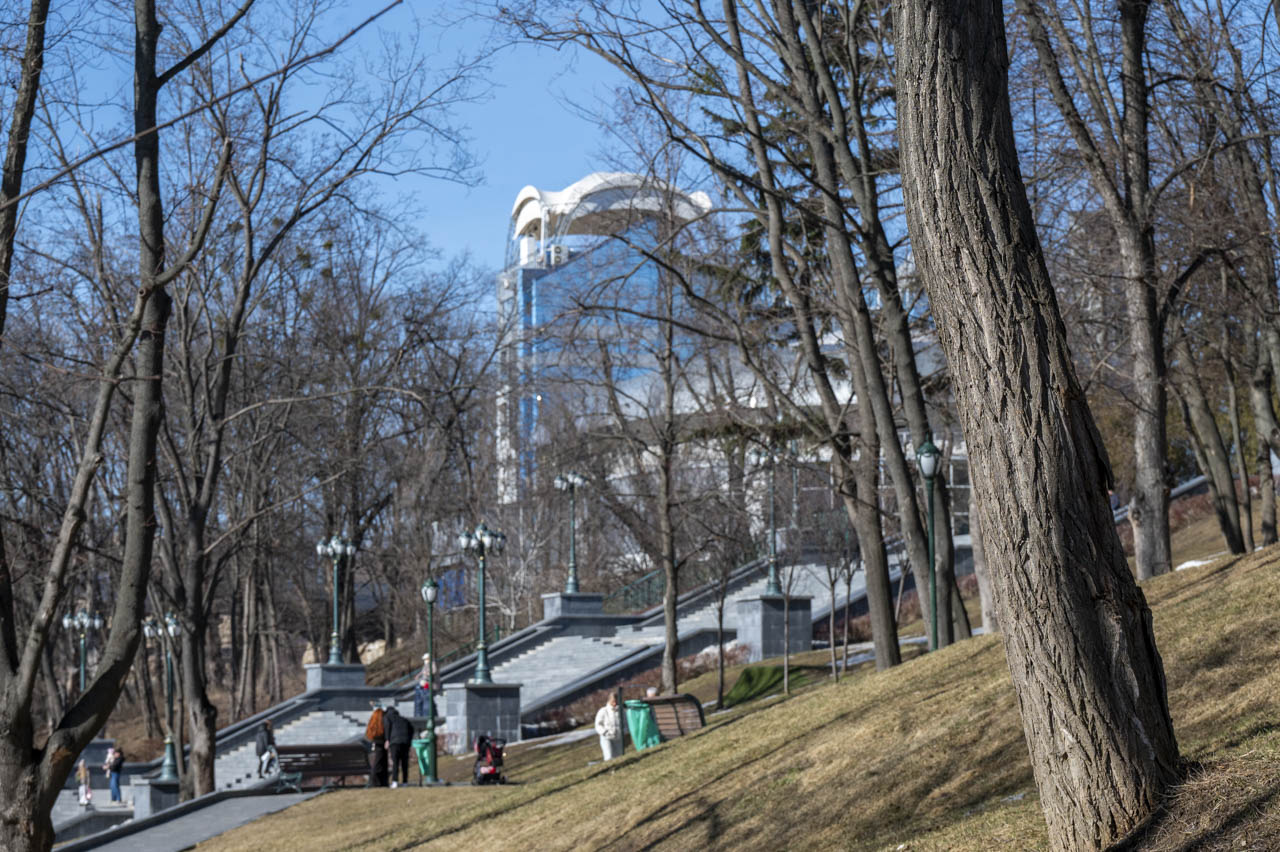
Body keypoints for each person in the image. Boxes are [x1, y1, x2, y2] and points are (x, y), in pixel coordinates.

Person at [383, 705, 412, 787]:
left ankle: (395, 781)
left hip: (394, 742)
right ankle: (405, 782)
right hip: (405, 742)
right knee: (404, 763)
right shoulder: (403, 719)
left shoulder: (388, 717)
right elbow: (411, 729)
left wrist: (387, 740)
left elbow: (387, 727)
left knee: (395, 762)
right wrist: (409, 741)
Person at [594, 693, 625, 761]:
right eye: (613, 701)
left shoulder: (621, 711)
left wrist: (625, 732)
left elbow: (625, 723)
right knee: (609, 755)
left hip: (618, 737)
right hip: (607, 737)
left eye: (616, 701)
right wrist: (604, 732)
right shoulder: (603, 711)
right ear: (609, 701)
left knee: (619, 756)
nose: (614, 703)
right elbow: (598, 725)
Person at [365, 704, 388, 787]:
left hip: (376, 743)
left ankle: (378, 782)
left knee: (379, 762)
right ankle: (374, 782)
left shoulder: (373, 724)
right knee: (379, 763)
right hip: (381, 744)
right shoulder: (383, 723)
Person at [413, 654, 437, 719]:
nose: (425, 660)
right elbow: (422, 672)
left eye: (426, 659)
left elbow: (434, 671)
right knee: (423, 692)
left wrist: (428, 673)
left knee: (426, 693)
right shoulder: (425, 665)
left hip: (428, 682)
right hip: (424, 682)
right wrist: (418, 675)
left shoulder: (432, 663)